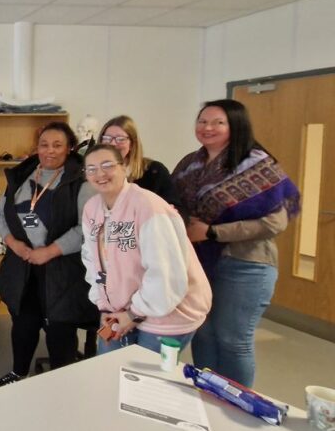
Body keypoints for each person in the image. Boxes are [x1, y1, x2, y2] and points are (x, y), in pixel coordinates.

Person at [172, 99, 299, 387]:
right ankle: (206, 392)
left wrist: (213, 232)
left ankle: (238, 403)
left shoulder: (256, 164)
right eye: (202, 121)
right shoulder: (189, 164)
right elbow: (173, 204)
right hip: (198, 263)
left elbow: (274, 223)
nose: (208, 128)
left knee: (232, 339)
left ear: (236, 125)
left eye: (218, 122)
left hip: (245, 264)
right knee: (202, 332)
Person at [0, 121, 98, 388]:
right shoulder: (21, 176)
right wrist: (13, 244)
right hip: (24, 267)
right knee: (23, 323)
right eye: (44, 144)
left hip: (62, 271)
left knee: (60, 328)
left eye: (57, 145)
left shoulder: (80, 182)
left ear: (70, 148)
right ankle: (18, 373)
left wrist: (49, 251)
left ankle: (60, 384)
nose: (50, 151)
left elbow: (86, 228)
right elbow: (2, 213)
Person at [80, 144, 211, 353]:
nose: (100, 174)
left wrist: (134, 314)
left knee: (145, 381)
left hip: (166, 313)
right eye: (91, 169)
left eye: (107, 165)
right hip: (120, 309)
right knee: (109, 372)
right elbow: (92, 260)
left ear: (124, 168)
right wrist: (104, 304)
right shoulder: (92, 208)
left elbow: (165, 273)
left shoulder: (148, 206)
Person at [98, 115, 176, 205]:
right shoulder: (92, 172)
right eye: (107, 138)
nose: (112, 144)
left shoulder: (155, 172)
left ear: (132, 144)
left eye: (120, 139)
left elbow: (177, 209)